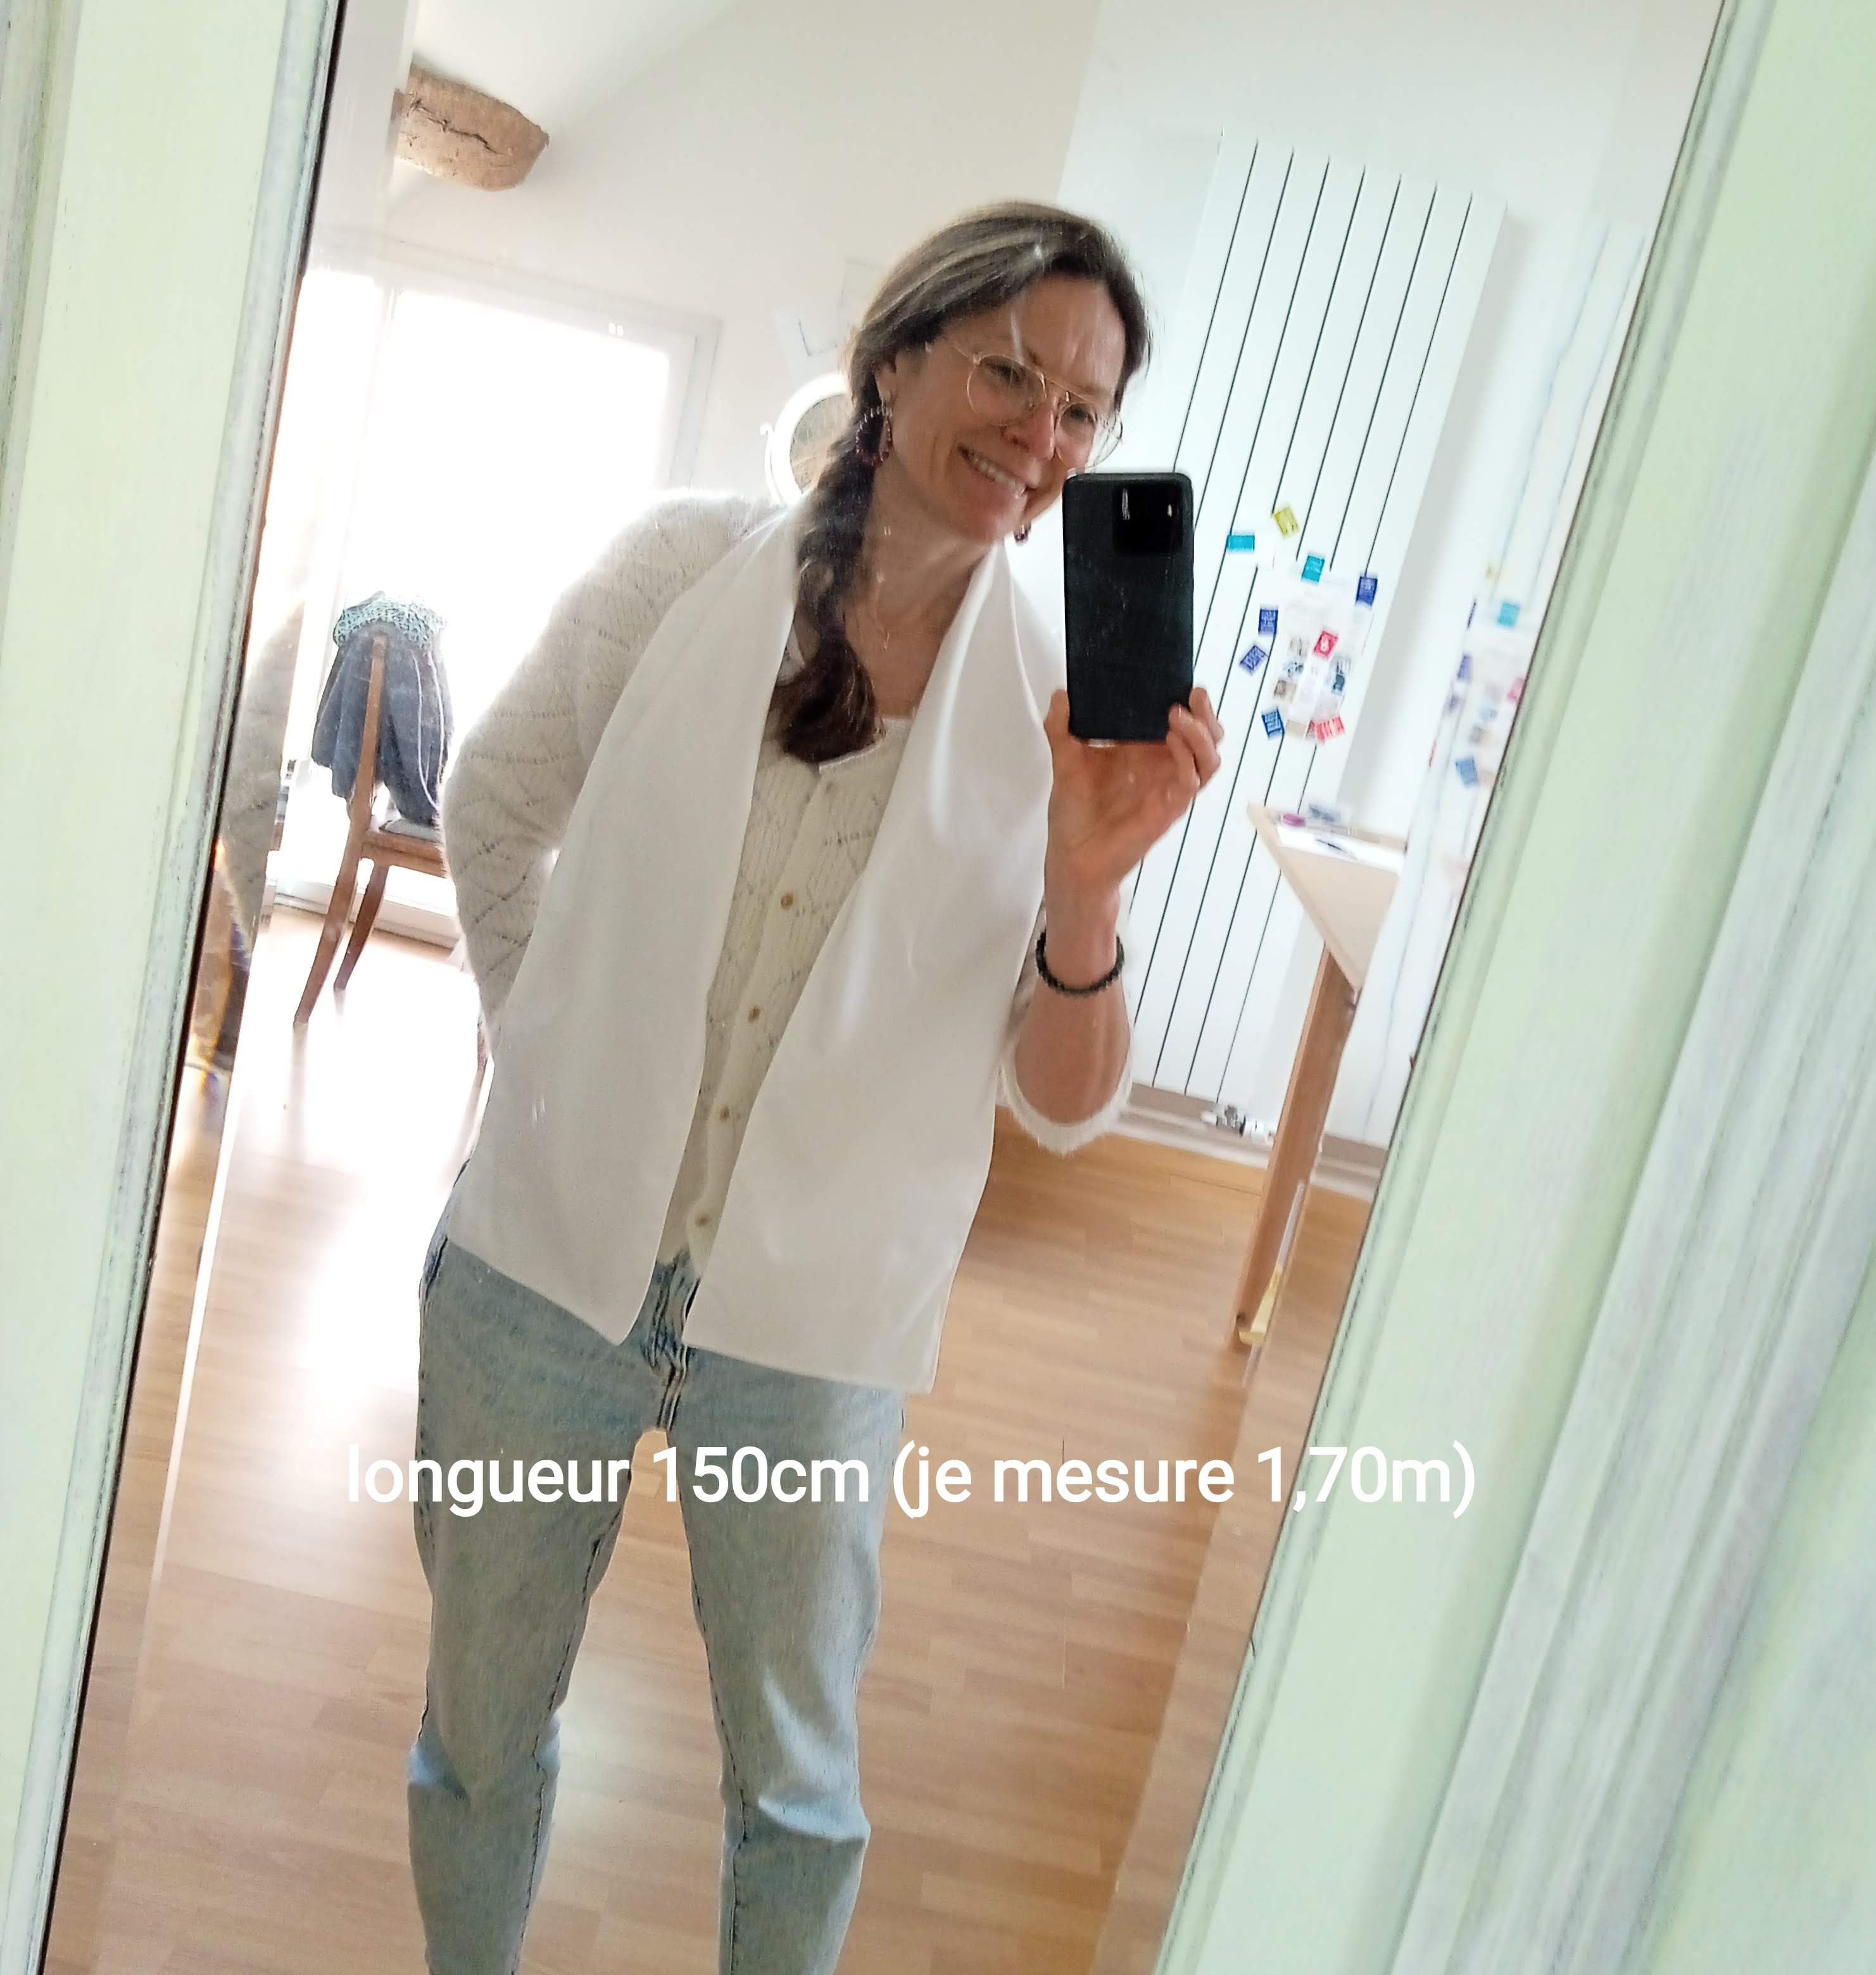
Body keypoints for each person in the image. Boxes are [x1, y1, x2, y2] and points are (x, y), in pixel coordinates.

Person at [409, 201, 1224, 1975]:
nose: (1042, 432)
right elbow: (495, 803)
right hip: (539, 1273)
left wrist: (1087, 886)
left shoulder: (1058, 712)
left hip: (814, 1324)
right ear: (896, 362)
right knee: (479, 1732)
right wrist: (548, 1064)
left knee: (799, 1796)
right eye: (1008, 372)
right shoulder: (679, 574)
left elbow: (1068, 1104)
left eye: (1083, 410)